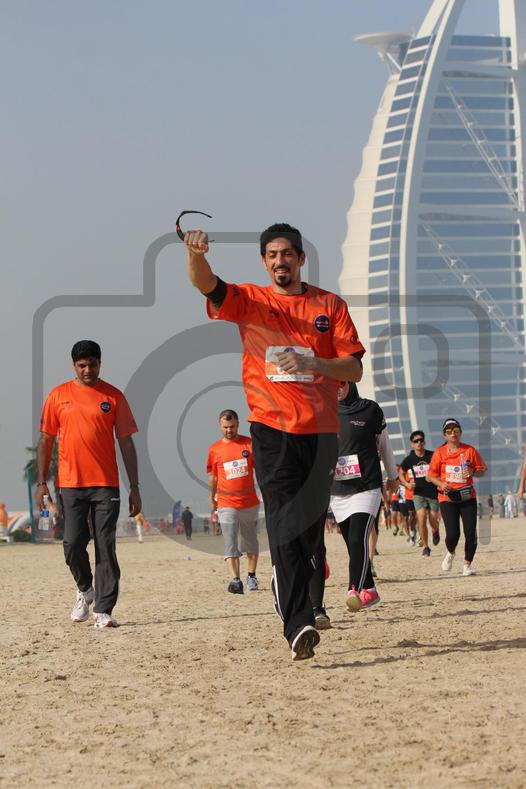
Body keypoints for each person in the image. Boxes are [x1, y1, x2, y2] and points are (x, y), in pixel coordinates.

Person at [184, 221, 365, 660]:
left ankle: (283, 585)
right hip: (270, 431)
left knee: (308, 533)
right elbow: (206, 284)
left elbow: (354, 368)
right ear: (264, 262)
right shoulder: (250, 300)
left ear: (301, 258)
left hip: (320, 434)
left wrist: (316, 363)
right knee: (284, 525)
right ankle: (299, 624)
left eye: (287, 254)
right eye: (272, 255)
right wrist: (195, 254)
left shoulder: (329, 305)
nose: (280, 261)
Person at [36, 340, 141, 628]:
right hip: (70, 484)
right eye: (82, 365)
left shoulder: (114, 397)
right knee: (72, 543)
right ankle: (85, 589)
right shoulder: (58, 396)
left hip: (106, 485)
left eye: (92, 364)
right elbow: (45, 439)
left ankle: (103, 610)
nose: (87, 370)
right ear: (74, 365)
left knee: (105, 545)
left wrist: (135, 487)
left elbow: (126, 442)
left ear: (99, 363)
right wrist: (41, 482)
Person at [329, 382, 398, 612]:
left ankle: (353, 589)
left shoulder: (370, 409)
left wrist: (393, 475)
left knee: (358, 538)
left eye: (341, 383)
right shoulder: (324, 410)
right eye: (332, 384)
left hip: (367, 486)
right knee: (352, 544)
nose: (337, 388)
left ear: (350, 383)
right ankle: (370, 588)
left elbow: (384, 444)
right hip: (338, 491)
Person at [207, 409, 260, 594]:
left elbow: (261, 469)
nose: (229, 430)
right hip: (226, 503)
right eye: (225, 427)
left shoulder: (249, 444)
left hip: (249, 503)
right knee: (230, 542)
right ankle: (235, 580)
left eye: (232, 426)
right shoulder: (215, 449)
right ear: (220, 426)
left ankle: (251, 576)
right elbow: (213, 477)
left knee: (250, 542)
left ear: (238, 424)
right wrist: (212, 497)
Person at [427, 418, 487, 577]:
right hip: (447, 498)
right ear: (445, 435)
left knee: (470, 533)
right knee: (453, 534)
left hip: (467, 497)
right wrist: (441, 484)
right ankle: (451, 552)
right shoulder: (439, 453)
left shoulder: (470, 450)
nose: (453, 433)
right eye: (449, 431)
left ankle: (467, 565)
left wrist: (473, 472)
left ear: (460, 432)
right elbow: (431, 476)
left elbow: (482, 470)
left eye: (456, 430)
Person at [399, 430, 440, 558]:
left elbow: (441, 468)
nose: (419, 443)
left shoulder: (432, 455)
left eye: (421, 440)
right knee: (421, 518)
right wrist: (406, 484)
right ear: (412, 444)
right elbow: (400, 473)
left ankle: (435, 530)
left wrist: (438, 480)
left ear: (424, 442)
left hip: (433, 492)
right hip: (418, 493)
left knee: (433, 519)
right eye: (416, 441)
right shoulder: (409, 459)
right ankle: (426, 547)